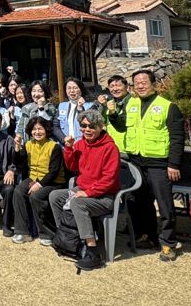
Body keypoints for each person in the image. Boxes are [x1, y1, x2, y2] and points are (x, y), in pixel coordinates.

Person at [108, 69, 184, 262]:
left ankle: (168, 242)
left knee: (164, 204)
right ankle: (147, 235)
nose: (140, 86)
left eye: (144, 82)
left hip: (159, 163)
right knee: (139, 201)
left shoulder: (167, 106)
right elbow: (121, 126)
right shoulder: (132, 104)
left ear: (154, 84)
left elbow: (177, 137)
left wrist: (173, 164)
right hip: (136, 161)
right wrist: (113, 114)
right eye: (137, 83)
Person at [49, 109, 121, 271]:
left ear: (101, 127)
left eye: (92, 126)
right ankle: (67, 238)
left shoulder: (110, 148)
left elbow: (109, 179)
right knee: (55, 196)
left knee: (78, 203)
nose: (87, 129)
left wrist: (88, 192)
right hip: (83, 189)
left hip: (105, 196)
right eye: (83, 125)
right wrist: (68, 148)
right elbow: (72, 166)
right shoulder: (80, 143)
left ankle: (92, 252)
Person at [12, 117, 64, 245]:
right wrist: (17, 147)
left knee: (36, 196)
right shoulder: (29, 145)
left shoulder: (54, 147)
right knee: (18, 191)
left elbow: (54, 171)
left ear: (46, 130)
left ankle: (47, 233)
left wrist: (39, 184)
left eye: (40, 129)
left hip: (53, 182)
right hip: (34, 178)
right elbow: (17, 162)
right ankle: (23, 232)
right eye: (34, 129)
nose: (37, 132)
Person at [53, 77, 94, 144]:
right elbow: (55, 126)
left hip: (83, 145)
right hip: (65, 145)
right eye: (69, 88)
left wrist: (80, 108)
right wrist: (64, 139)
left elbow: (89, 125)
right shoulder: (61, 106)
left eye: (75, 88)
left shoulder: (90, 106)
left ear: (81, 89)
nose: (72, 91)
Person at [102, 75, 130, 151]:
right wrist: (102, 105)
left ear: (127, 87)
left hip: (128, 149)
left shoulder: (133, 102)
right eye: (112, 86)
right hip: (112, 147)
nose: (115, 89)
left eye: (118, 85)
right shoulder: (109, 103)